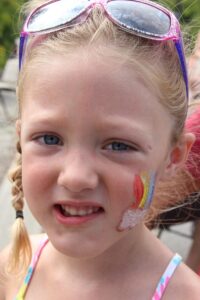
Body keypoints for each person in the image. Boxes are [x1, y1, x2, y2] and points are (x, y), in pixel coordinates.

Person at [0, 0, 200, 299]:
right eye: (49, 139)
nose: (75, 178)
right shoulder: (13, 268)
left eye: (118, 145)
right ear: (21, 138)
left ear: (172, 157)